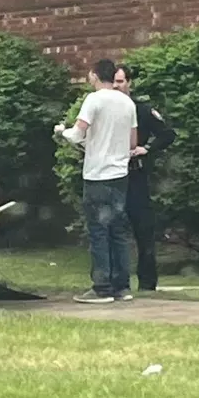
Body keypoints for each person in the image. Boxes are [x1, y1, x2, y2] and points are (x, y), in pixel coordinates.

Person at [54, 59, 138, 304]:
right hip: (120, 174)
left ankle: (101, 287)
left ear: (94, 75)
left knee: (99, 231)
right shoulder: (127, 102)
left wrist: (63, 132)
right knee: (118, 231)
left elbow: (78, 133)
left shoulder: (94, 100)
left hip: (97, 175)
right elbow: (133, 142)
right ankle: (122, 287)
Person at [114, 64, 176, 292]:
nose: (116, 86)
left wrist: (147, 148)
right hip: (111, 176)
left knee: (143, 229)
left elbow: (167, 134)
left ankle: (147, 283)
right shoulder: (103, 109)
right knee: (111, 229)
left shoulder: (141, 109)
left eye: (121, 81)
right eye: (113, 82)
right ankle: (115, 281)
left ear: (129, 83)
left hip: (135, 175)